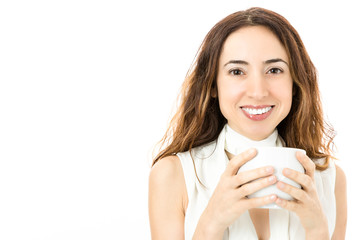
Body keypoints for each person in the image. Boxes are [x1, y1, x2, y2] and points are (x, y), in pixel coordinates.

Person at [148, 7, 347, 240]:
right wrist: (211, 224)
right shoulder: (173, 175)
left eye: (274, 70)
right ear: (213, 85)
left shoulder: (330, 178)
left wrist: (317, 231)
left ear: (295, 83)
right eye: (237, 71)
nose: (257, 92)